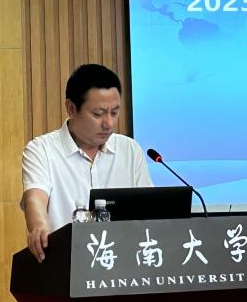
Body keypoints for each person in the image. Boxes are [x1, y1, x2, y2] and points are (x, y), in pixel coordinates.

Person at [20, 62, 153, 261]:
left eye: (114, 112)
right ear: (71, 108)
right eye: (98, 114)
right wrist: (39, 227)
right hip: (67, 263)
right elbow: (35, 198)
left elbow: (149, 209)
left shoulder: (130, 150)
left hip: (125, 264)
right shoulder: (42, 150)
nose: (109, 123)